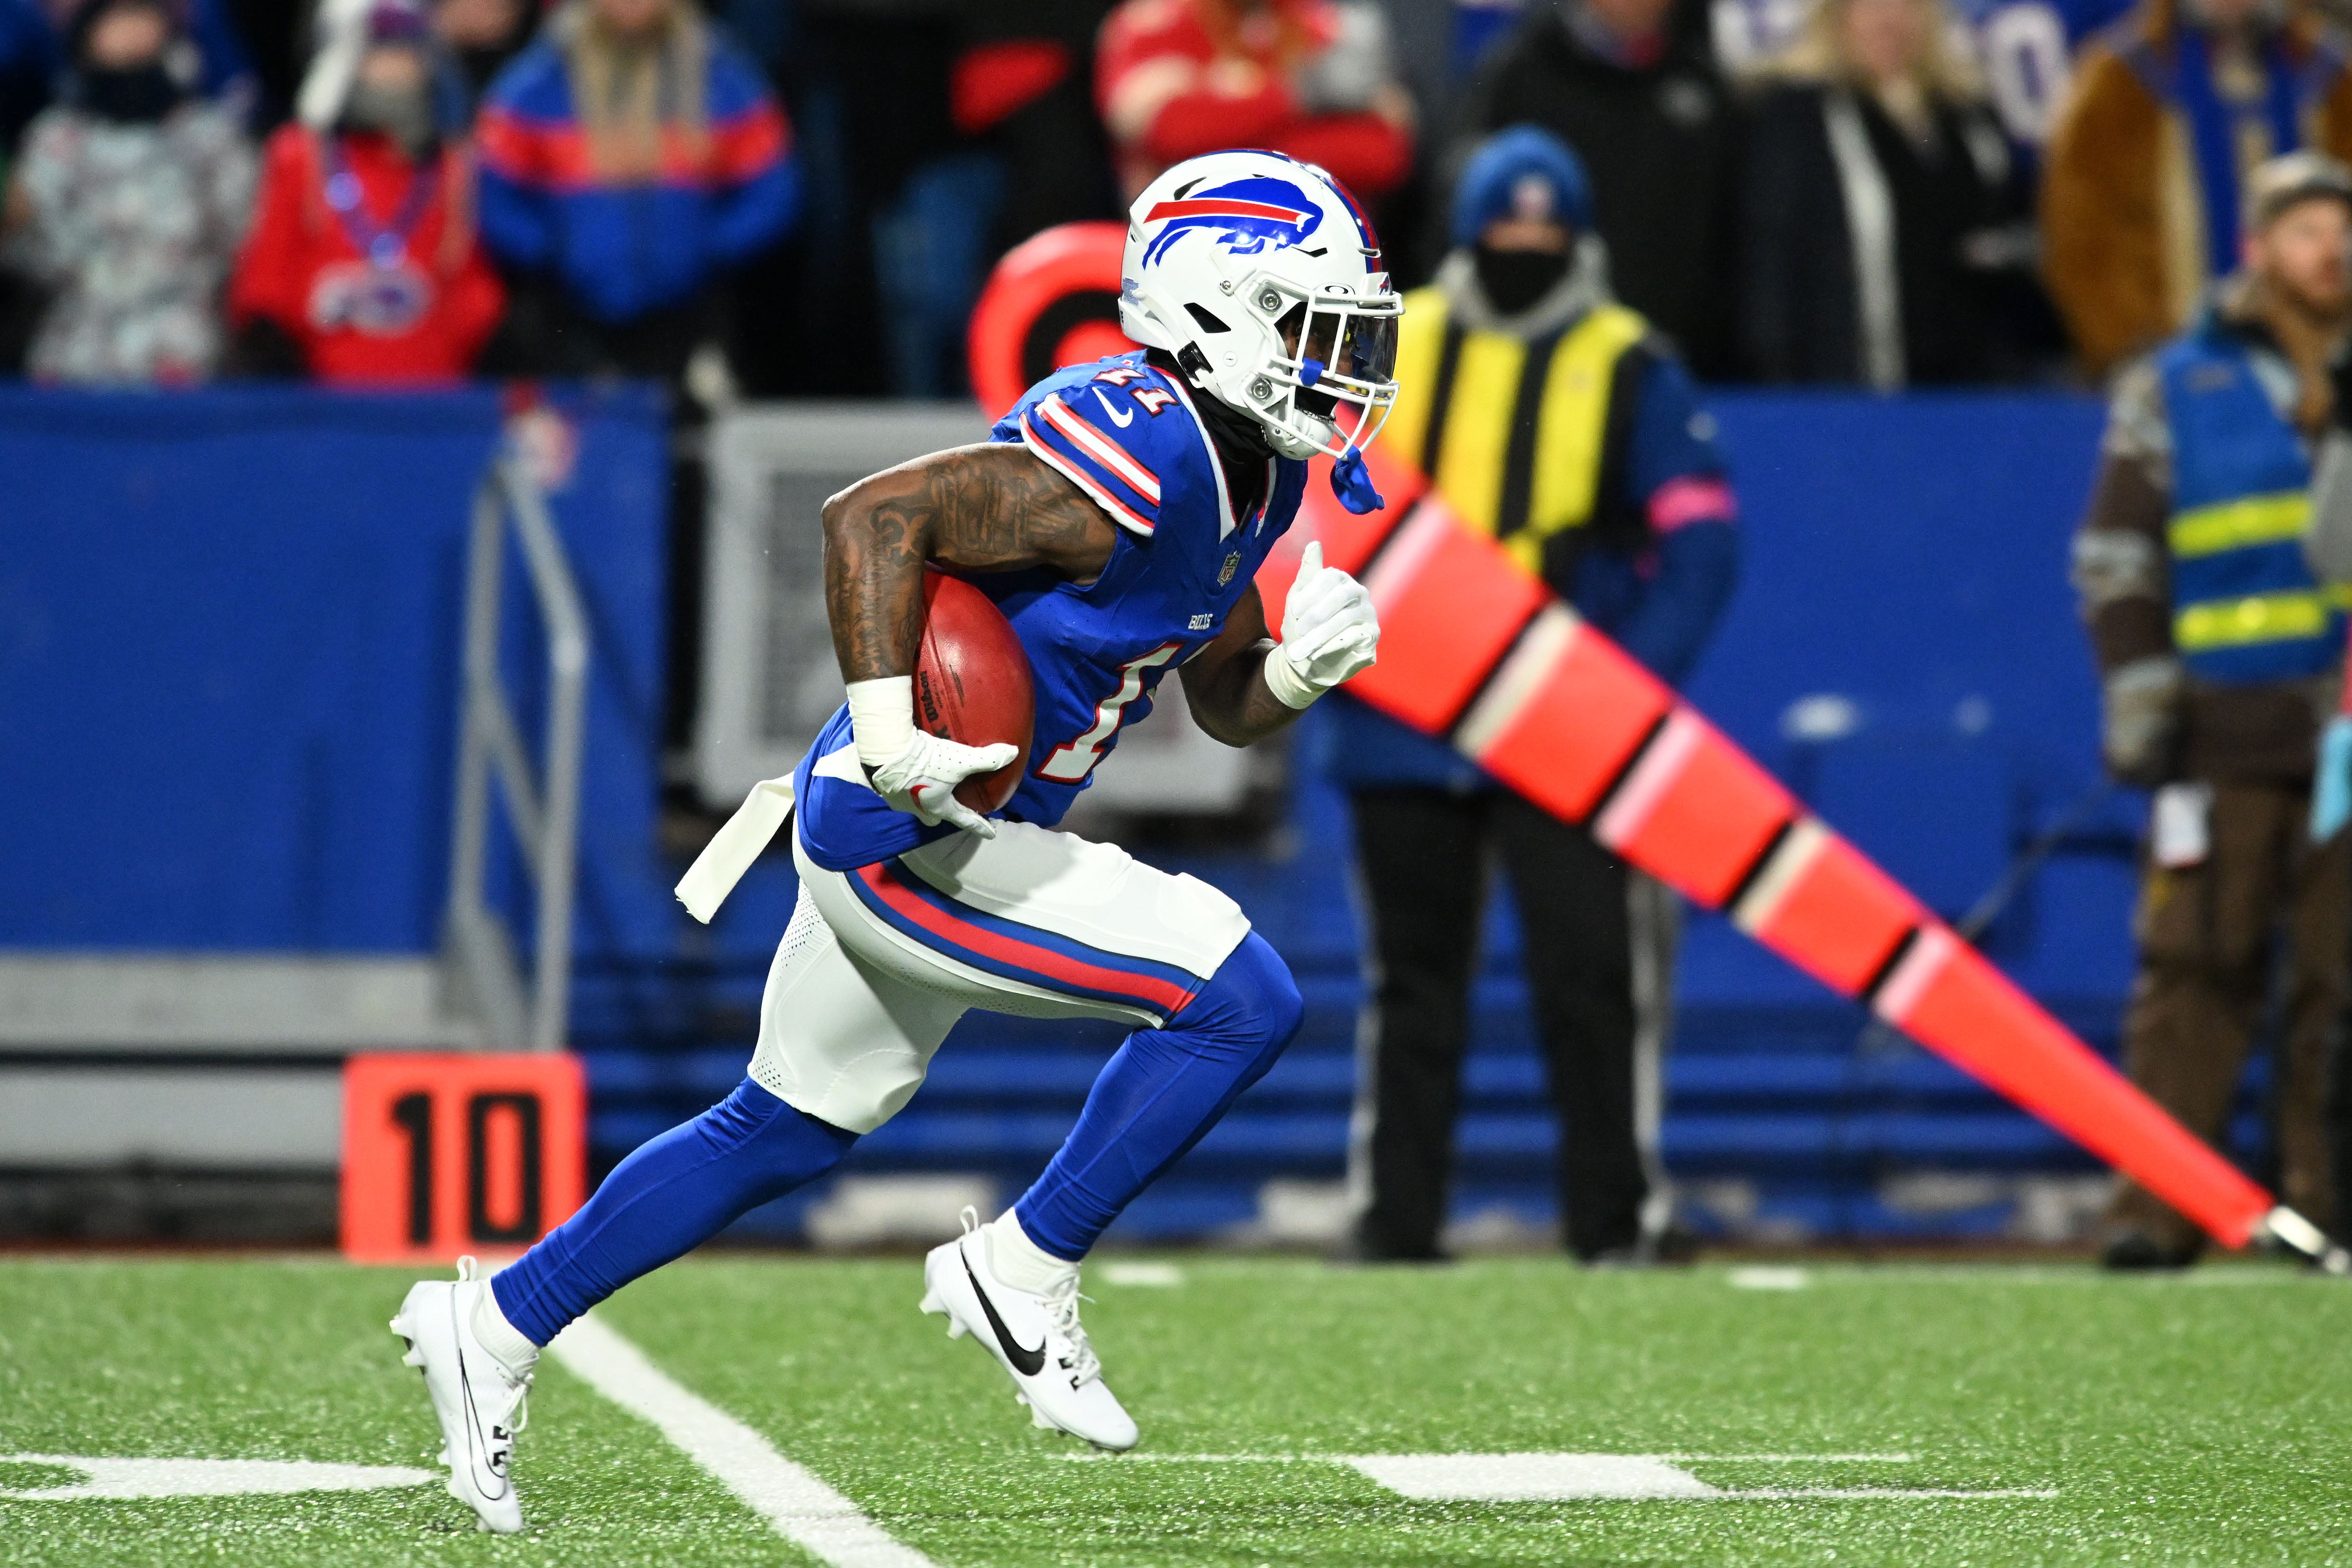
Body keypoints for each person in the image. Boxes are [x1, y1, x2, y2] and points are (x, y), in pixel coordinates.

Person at [390, 148, 1400, 1530]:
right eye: (1310, 323)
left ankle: (494, 1322)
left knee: (781, 1124)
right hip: (908, 826)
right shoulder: (1146, 439)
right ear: (1214, 310)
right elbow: (874, 516)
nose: (1337, 363)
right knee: (1240, 998)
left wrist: (1293, 676)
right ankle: (1024, 1264)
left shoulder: (1256, 474)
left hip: (960, 821)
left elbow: (1216, 700)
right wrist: (883, 724)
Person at [1330, 126, 1737, 1264]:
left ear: (1577, 238)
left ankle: (1613, 1219)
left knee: (1590, 980)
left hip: (1561, 723)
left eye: (1542, 231)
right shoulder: (1390, 341)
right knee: (1413, 988)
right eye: (1502, 229)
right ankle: (1396, 1224)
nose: (1522, 247)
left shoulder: (1624, 358)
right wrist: (1339, 650)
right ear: (1465, 232)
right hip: (1402, 716)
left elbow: (1700, 541)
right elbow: (1312, 510)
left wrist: (1619, 682)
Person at [2070, 150, 2352, 1268]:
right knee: (2193, 968)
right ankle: (2157, 1204)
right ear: (2255, 249)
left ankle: (2317, 1210)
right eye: (2303, 230)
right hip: (2221, 721)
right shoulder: (2173, 386)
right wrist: (2141, 694)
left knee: (2339, 978)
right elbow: (2113, 553)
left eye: (2343, 230)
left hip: (2346, 724)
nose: (2327, 250)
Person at [473, 0, 798, 380]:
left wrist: (709, 247)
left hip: (688, 312)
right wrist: (550, 252)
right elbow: (490, 192)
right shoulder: (539, 80)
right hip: (570, 316)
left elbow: (774, 187)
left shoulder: (720, 74)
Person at [2042, 0, 2352, 380]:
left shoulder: (2332, 77)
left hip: (2328, 372)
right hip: (2168, 370)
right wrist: (2131, 350)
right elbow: (2083, 240)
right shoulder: (2121, 79)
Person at [1740, 0, 2038, 386]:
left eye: (1906, 6)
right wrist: (1777, 379)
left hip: (1972, 385)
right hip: (1848, 388)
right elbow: (1770, 261)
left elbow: (2006, 230)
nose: (1889, 20)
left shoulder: (1966, 119)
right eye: (1870, 6)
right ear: (1836, 17)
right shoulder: (1797, 118)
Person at [1456, 0, 1741, 379]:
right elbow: (1468, 228)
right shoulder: (1520, 72)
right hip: (1525, 369)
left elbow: (1731, 252)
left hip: (1670, 367)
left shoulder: (1705, 90)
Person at [227, 0, 503, 381]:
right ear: (346, 63)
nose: (393, 71)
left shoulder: (453, 167)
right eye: (377, 56)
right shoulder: (301, 158)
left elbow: (471, 290)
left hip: (430, 386)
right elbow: (269, 270)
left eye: (407, 56)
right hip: (319, 393)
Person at [2, 0, 252, 383]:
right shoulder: (53, 140)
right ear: (88, 33)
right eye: (115, 17)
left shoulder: (210, 138)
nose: (130, 30)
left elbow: (239, 243)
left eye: (141, 15)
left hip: (184, 356)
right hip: (74, 353)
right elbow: (28, 251)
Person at [1095, 0, 1414, 204]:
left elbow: (1382, 154)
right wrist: (1300, 97)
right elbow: (1169, 134)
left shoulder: (1327, 26)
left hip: (1315, 255)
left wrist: (1233, 114)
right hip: (1184, 249)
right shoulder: (1152, 24)